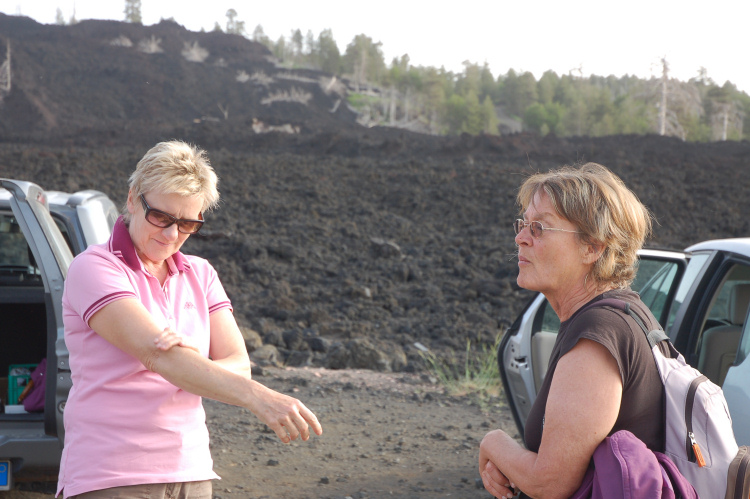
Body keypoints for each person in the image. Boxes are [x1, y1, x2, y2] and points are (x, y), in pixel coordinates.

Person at [56, 141, 322, 498]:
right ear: (133, 198)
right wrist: (257, 397)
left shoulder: (201, 273)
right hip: (112, 474)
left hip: (192, 471)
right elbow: (159, 355)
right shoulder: (94, 268)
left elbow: (239, 364)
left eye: (186, 224)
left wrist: (186, 357)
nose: (171, 235)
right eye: (161, 218)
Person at [478, 163, 664, 499]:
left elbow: (551, 483)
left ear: (592, 247)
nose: (520, 238)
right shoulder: (623, 313)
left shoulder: (598, 334)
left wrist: (495, 443)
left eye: (540, 228)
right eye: (523, 225)